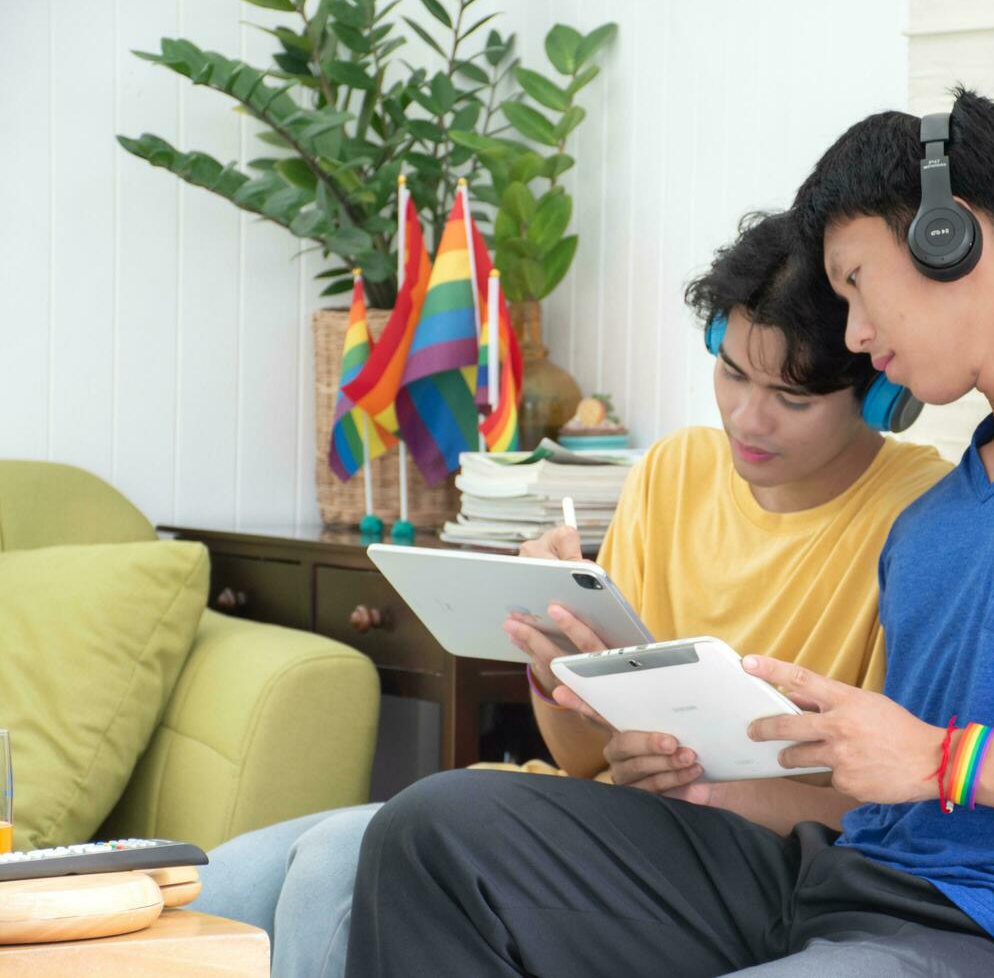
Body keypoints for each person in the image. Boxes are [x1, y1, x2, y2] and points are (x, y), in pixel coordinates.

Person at [344, 88, 994, 978]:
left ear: (949, 237)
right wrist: (705, 784)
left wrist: (946, 758)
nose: (852, 335)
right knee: (434, 829)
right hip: (828, 885)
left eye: (855, 282)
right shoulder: (933, 520)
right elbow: (881, 796)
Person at [190, 210, 952, 978]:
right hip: (596, 808)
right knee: (221, 881)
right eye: (731, 373)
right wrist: (557, 674)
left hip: (747, 856)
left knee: (330, 868)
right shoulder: (674, 469)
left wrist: (709, 790)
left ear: (879, 392)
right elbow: (584, 761)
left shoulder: (922, 515)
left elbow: (890, 810)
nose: (746, 420)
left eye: (791, 398)